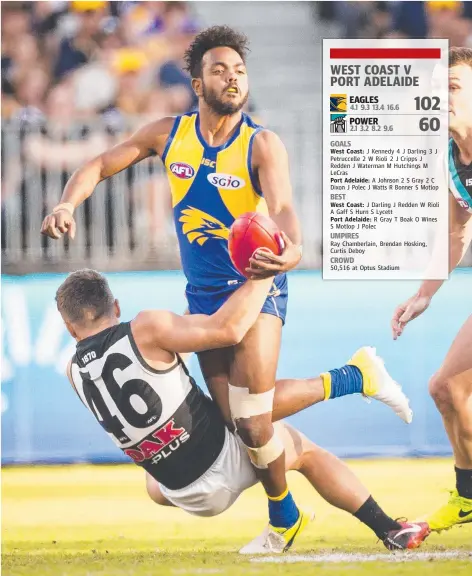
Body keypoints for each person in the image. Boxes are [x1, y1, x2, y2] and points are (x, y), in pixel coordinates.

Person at [41, 25, 411, 549]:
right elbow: (101, 164)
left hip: (256, 284)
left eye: (239, 71)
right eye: (219, 69)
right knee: (237, 422)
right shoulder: (169, 134)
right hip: (202, 295)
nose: (232, 78)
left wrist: (294, 252)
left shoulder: (262, 143)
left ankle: (287, 512)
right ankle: (353, 380)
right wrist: (66, 204)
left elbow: (283, 212)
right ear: (197, 82)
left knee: (253, 420)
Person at [57, 268, 430, 552]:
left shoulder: (72, 371)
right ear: (116, 306)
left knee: (159, 470)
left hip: (174, 492)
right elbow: (230, 329)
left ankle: (286, 514)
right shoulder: (147, 327)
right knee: (269, 428)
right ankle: (354, 381)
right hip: (222, 464)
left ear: (70, 328)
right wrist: (263, 276)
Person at [391, 47, 472, 531]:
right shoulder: (450, 157)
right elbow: (456, 230)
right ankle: (467, 498)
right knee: (445, 388)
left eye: (455, 87)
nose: (442, 97)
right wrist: (424, 294)